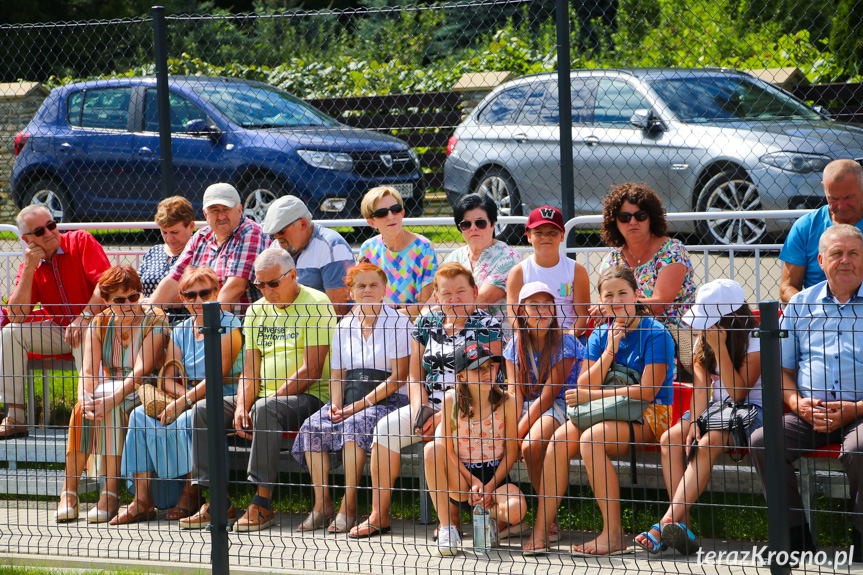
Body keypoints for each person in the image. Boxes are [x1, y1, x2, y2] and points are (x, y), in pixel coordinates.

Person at [180, 247, 336, 532]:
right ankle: (218, 501)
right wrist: (241, 405)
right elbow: (250, 369)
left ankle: (261, 503)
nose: (266, 290)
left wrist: (265, 401)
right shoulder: (256, 310)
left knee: (265, 409)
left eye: (273, 283)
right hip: (263, 399)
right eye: (259, 284)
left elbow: (312, 369)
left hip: (311, 397)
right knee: (204, 410)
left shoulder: (316, 303)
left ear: (293, 276)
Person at [349, 262, 504, 539]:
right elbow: (414, 374)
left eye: (460, 292)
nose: (453, 299)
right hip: (428, 405)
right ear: (436, 296)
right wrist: (421, 410)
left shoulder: (487, 323)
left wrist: (442, 415)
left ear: (474, 292)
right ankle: (379, 514)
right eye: (446, 294)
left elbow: (489, 379)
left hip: (473, 407)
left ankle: (451, 519)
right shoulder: (425, 321)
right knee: (385, 430)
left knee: (441, 435)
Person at [751, 224, 863, 561]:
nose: (846, 261)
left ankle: (861, 541)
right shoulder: (800, 304)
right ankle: (794, 541)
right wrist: (797, 403)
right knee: (762, 440)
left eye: (853, 253)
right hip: (809, 411)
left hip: (861, 413)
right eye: (836, 253)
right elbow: (782, 371)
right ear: (820, 260)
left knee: (861, 447)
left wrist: (855, 408)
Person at [636, 279, 762, 556]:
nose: (701, 326)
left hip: (750, 412)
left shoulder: (756, 337)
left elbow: (739, 393)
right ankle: (682, 525)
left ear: (729, 317)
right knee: (671, 438)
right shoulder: (702, 340)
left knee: (706, 443)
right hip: (714, 411)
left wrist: (721, 350)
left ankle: (665, 523)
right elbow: (702, 390)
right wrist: (694, 422)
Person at [113, 266, 244, 524]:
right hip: (187, 395)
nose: (198, 301)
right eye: (190, 295)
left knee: (192, 416)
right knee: (139, 414)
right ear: (182, 299)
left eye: (204, 293)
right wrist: (184, 398)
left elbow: (219, 374)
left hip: (222, 394)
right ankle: (141, 500)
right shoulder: (183, 328)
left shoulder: (229, 324)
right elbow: (166, 377)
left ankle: (190, 494)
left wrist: (184, 402)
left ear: (217, 292)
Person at [291, 262, 412, 533]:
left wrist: (357, 406)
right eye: (361, 286)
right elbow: (337, 374)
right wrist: (335, 404)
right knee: (313, 425)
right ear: (351, 292)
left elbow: (399, 378)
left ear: (384, 289)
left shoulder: (398, 322)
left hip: (388, 400)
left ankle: (350, 503)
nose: (367, 290)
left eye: (373, 285)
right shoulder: (343, 325)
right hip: (349, 400)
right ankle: (322, 505)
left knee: (353, 425)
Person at [571, 265, 675, 556]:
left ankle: (613, 535)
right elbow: (583, 382)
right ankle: (543, 529)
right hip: (611, 410)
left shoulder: (656, 333)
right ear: (601, 303)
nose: (616, 302)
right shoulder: (600, 335)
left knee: (590, 440)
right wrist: (610, 349)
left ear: (637, 294)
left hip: (652, 415)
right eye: (608, 296)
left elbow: (647, 391)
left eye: (622, 294)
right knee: (559, 439)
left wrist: (597, 392)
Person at [54, 266, 170, 524]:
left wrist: (112, 398)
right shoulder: (99, 322)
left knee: (112, 409)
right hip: (109, 387)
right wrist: (85, 396)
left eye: (134, 296)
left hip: (143, 388)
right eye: (120, 299)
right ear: (106, 301)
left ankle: (110, 493)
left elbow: (142, 370)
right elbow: (87, 370)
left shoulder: (156, 318)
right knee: (80, 411)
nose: (129, 304)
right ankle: (69, 493)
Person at [1, 205, 111, 438]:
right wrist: (30, 268)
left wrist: (85, 317)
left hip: (95, 326)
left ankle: (89, 419)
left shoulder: (81, 241)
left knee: (86, 335)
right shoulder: (31, 264)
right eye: (40, 231)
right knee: (10, 332)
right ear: (27, 239)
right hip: (62, 330)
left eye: (51, 225)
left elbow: (106, 284)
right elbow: (16, 314)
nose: (49, 233)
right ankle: (16, 418)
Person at [425, 341, 526, 556]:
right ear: (461, 376)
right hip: (461, 476)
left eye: (490, 366)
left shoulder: (507, 401)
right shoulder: (451, 400)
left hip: (495, 477)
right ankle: (447, 529)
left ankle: (487, 518)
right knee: (432, 450)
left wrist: (488, 486)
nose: (486, 373)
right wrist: (472, 481)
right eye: (477, 369)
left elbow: (511, 453)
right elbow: (448, 450)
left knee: (516, 510)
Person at [503, 281, 583, 544]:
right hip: (525, 405)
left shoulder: (565, 342)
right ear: (522, 311)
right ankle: (513, 516)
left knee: (531, 445)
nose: (542, 311)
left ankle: (545, 518)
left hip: (559, 403)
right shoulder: (514, 345)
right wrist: (509, 428)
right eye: (534, 306)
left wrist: (516, 434)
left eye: (547, 305)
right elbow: (514, 392)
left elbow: (549, 395)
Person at [597, 183, 696, 374]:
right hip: (625, 328)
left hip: (672, 330)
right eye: (625, 218)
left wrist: (613, 306)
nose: (633, 222)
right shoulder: (612, 259)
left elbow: (660, 305)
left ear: (651, 217)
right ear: (615, 223)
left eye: (640, 216)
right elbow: (605, 301)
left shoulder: (672, 250)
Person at [148, 183, 270, 311]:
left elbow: (235, 287)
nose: (221, 216)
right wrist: (145, 319)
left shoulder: (251, 233)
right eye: (215, 211)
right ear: (206, 215)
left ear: (239, 210)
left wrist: (209, 326)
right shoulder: (201, 236)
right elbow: (173, 280)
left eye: (226, 209)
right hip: (205, 321)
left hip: (242, 324)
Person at [780, 159, 863, 302]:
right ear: (824, 188)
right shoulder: (805, 227)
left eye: (849, 197)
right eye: (833, 198)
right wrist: (815, 311)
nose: (841, 206)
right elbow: (788, 286)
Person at [262, 194, 354, 315]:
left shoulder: (332, 246)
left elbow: (335, 312)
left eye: (281, 231)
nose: (276, 237)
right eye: (273, 233)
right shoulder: (276, 246)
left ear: (303, 224)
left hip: (320, 327)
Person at [506, 206, 590, 336]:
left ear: (562, 236)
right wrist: (537, 339)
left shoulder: (576, 270)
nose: (545, 237)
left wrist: (566, 337)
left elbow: (582, 316)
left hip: (569, 336)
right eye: (538, 232)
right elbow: (514, 318)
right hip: (531, 336)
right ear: (528, 236)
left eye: (553, 232)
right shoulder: (519, 272)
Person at [359, 185, 437, 317]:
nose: (390, 216)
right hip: (377, 323)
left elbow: (426, 303)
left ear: (402, 213)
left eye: (395, 210)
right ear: (372, 222)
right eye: (382, 213)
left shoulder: (424, 247)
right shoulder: (368, 249)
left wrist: (391, 319)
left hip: (413, 324)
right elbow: (362, 298)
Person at [442, 193, 521, 323]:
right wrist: (424, 315)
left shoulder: (508, 257)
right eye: (466, 224)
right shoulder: (454, 257)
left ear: (493, 224)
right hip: (455, 330)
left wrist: (440, 313)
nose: (473, 228)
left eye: (480, 223)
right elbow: (437, 295)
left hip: (495, 336)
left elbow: (482, 300)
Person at [138, 196, 197, 323]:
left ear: (191, 226)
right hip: (148, 319)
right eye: (164, 232)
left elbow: (197, 294)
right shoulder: (154, 252)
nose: (169, 238)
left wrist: (156, 302)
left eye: (175, 232)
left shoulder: (199, 253)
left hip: (182, 322)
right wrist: (142, 301)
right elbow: (136, 286)